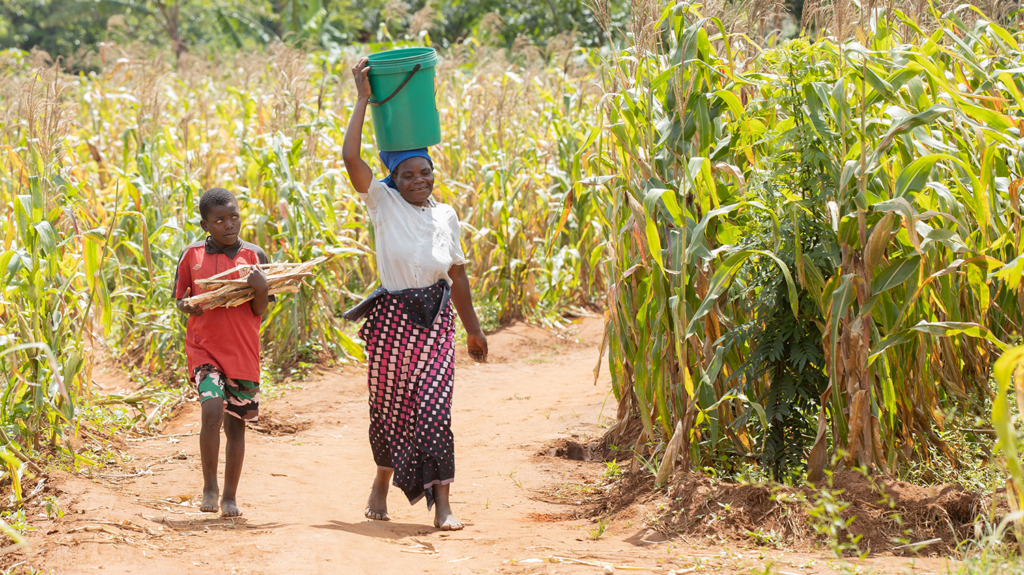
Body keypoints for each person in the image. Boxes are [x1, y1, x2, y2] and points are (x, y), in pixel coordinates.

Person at [342, 56, 488, 531]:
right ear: (392, 179)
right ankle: (381, 481)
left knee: (433, 407)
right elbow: (350, 159)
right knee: (390, 407)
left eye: (425, 173)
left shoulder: (446, 215)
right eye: (407, 175)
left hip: (436, 321)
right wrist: (364, 98)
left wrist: (473, 331)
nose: (418, 181)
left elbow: (458, 276)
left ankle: (442, 504)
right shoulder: (382, 204)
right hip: (392, 322)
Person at [174, 187, 273, 517]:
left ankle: (230, 496)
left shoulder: (255, 257)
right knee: (212, 409)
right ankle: (209, 487)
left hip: (243, 353)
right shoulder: (191, 256)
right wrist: (186, 307)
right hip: (204, 349)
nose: (229, 225)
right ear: (205, 225)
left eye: (234, 217)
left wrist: (261, 288)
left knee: (235, 425)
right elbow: (180, 298)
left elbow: (261, 311)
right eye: (219, 220)